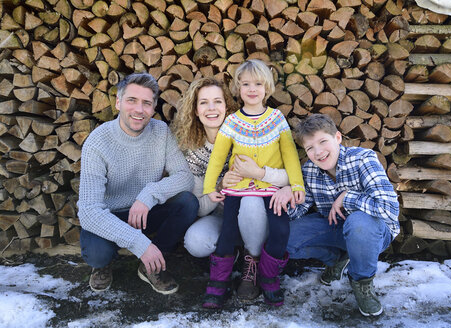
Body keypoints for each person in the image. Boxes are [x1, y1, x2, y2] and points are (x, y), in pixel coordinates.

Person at [171, 77, 291, 301]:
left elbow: (288, 172)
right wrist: (219, 187)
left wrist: (260, 174)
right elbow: (198, 207)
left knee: (250, 200)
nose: (211, 108)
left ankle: (252, 265)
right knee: (195, 242)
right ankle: (233, 253)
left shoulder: (250, 134)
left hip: (256, 215)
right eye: (204, 103)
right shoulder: (193, 151)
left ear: (227, 106)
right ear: (195, 110)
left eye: (217, 101)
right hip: (220, 218)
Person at [77, 72, 198, 295]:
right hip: (109, 216)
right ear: (118, 102)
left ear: (153, 108)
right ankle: (104, 266)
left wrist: (148, 195)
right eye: (132, 100)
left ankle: (150, 265)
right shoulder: (97, 142)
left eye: (146, 103)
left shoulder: (160, 132)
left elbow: (184, 176)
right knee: (97, 254)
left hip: (145, 212)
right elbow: (88, 211)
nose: (139, 110)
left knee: (188, 203)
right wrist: (140, 244)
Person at [202, 60, 305, 308]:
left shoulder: (277, 119)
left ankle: (268, 277)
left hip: (272, 190)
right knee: (227, 232)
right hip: (238, 189)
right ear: (238, 88)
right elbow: (218, 157)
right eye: (246, 84)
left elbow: (290, 154)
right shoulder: (232, 122)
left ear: (267, 87)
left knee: (280, 230)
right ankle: (219, 282)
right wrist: (209, 187)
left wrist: (297, 185)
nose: (252, 89)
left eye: (258, 84)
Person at [286, 113, 400, 317]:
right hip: (335, 229)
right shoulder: (310, 170)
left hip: (372, 232)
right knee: (284, 238)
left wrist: (347, 197)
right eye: (310, 148)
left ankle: (361, 281)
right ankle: (337, 259)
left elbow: (389, 209)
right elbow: (300, 210)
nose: (318, 152)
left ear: (337, 138)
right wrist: (287, 192)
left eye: (323, 142)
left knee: (359, 223)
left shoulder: (363, 159)